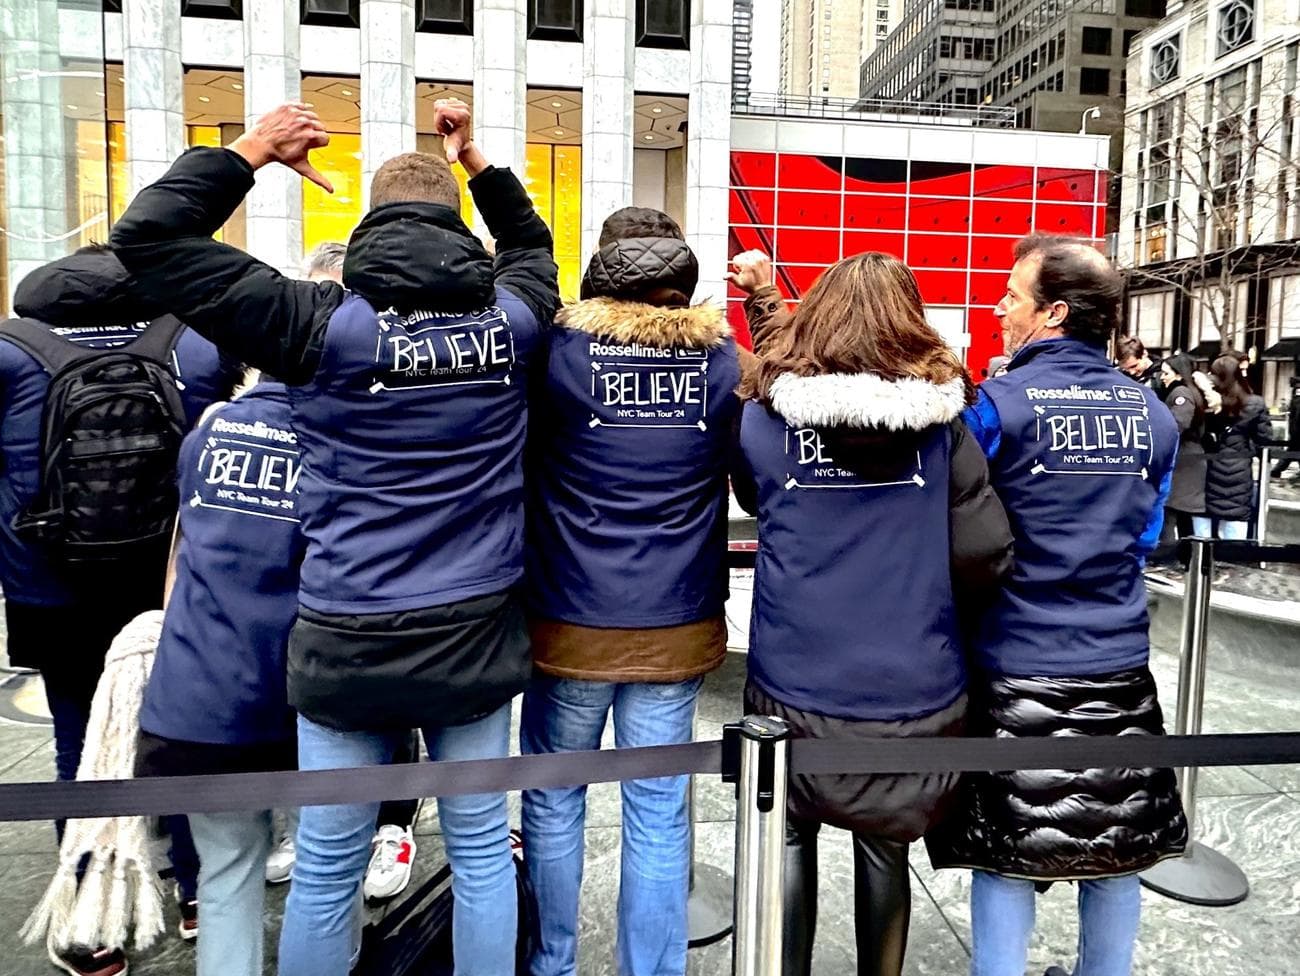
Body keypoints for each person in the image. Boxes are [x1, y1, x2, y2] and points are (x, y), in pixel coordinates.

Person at [107, 100, 558, 976]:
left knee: (326, 864)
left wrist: (249, 153)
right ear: (459, 232)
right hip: (471, 634)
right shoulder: (513, 323)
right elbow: (535, 250)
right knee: (478, 858)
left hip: (346, 634)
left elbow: (149, 239)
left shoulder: (312, 325)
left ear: (367, 231)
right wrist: (478, 164)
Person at [730, 250, 1013, 976]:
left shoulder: (765, 418)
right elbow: (984, 552)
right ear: (909, 324)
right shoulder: (944, 429)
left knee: (786, 838)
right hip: (911, 682)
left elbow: (757, 500)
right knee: (885, 847)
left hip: (793, 679)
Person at [927, 234, 1187, 976]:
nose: (1000, 307)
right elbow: (1143, 533)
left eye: (1012, 296)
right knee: (1119, 848)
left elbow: (966, 533)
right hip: (1117, 655)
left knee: (1006, 850)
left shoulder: (996, 408)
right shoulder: (1154, 416)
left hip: (1014, 657)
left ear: (1054, 313)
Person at [0, 246, 238, 976]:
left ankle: (93, 925)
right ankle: (198, 894)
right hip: (167, 584)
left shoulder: (10, 352)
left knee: (79, 747)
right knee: (182, 739)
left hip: (51, 587)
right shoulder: (192, 346)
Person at [521, 207, 741, 976]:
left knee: (554, 798)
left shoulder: (557, 355)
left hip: (570, 618)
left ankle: (553, 963)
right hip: (675, 622)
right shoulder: (722, 365)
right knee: (656, 812)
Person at [260, 242, 421, 904]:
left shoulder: (389, 378)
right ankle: (318, 823)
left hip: (381, 578)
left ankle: (392, 822)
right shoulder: (283, 386)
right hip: (310, 575)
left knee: (396, 701)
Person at [134, 366, 305, 976]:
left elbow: (180, 560)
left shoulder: (208, 431)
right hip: (299, 692)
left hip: (198, 689)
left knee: (226, 873)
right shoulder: (345, 441)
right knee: (324, 868)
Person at [1199, 353, 1275, 540]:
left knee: (1202, 541)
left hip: (1207, 473)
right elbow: (1264, 441)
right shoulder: (1254, 403)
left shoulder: (1207, 403)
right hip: (1239, 475)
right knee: (1234, 539)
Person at [1156, 353, 1208, 545]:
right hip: (1187, 459)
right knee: (1181, 512)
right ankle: (1186, 556)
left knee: (1171, 509)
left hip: (1184, 461)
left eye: (1166, 373)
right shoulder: (1186, 392)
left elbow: (1177, 424)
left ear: (1178, 374)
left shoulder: (1181, 394)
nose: (1162, 377)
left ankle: (1170, 555)